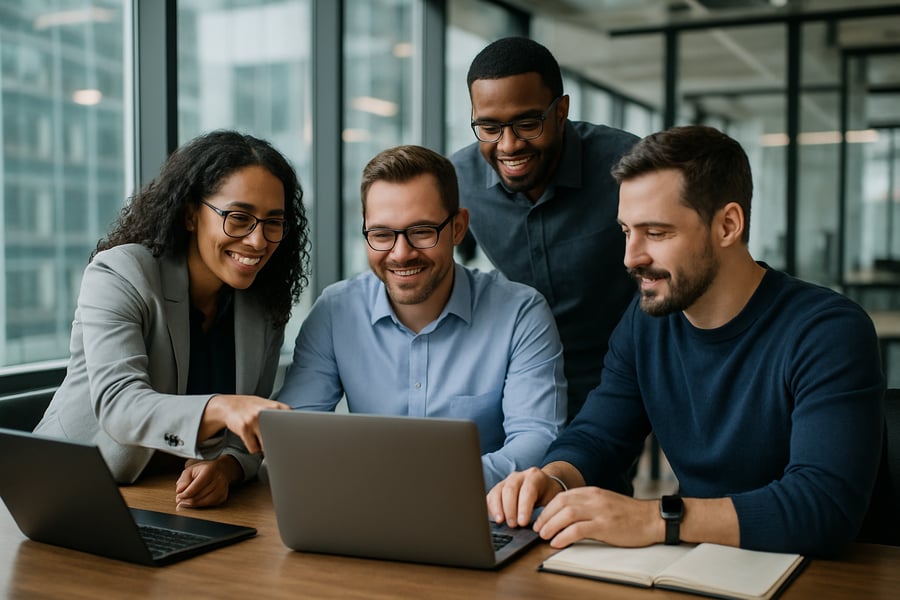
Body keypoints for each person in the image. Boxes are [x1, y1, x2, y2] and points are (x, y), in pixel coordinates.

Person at [486, 125, 885, 558]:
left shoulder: (827, 331)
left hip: (814, 572)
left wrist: (653, 518)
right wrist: (554, 478)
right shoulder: (646, 321)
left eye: (656, 233)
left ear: (728, 225)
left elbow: (822, 508)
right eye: (626, 231)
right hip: (698, 562)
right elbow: (598, 436)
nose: (631, 257)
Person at [34, 130, 311, 508]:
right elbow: (120, 405)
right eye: (239, 217)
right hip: (68, 489)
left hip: (167, 499)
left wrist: (226, 468)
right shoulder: (121, 273)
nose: (258, 241)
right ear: (191, 214)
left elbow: (247, 434)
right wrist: (223, 407)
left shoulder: (265, 305)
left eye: (273, 222)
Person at [278, 145, 566, 489]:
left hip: (482, 513)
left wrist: (424, 482)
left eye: (422, 231)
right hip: (366, 511)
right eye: (382, 234)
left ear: (458, 228)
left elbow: (537, 439)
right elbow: (296, 431)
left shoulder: (521, 313)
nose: (401, 254)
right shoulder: (335, 311)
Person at [451, 36, 639, 423]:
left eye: (527, 123)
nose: (508, 145)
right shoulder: (458, 180)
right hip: (520, 367)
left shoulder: (628, 167)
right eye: (489, 127)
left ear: (561, 111)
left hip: (616, 371)